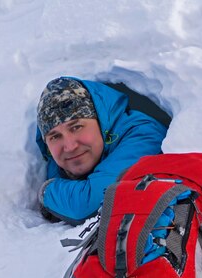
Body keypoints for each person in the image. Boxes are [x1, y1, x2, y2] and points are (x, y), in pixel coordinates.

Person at [35, 76, 168, 225]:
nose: (70, 146)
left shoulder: (143, 134)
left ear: (101, 120)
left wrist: (47, 191)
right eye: (55, 136)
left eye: (76, 127)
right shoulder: (64, 155)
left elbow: (90, 205)